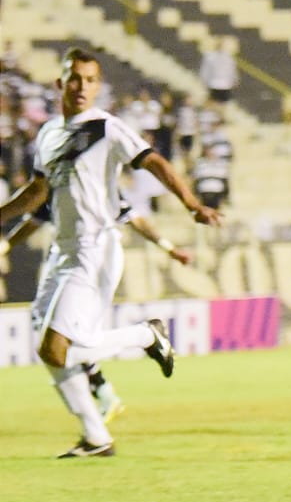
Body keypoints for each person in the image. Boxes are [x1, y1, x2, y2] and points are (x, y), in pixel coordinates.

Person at [0, 47, 221, 457]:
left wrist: (190, 203)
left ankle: (144, 335)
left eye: (89, 80)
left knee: (57, 346)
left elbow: (155, 163)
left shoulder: (106, 128)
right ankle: (97, 436)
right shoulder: (49, 134)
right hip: (63, 251)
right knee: (47, 348)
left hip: (96, 247)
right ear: (60, 84)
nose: (82, 87)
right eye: (74, 79)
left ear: (98, 86)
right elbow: (37, 192)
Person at [3, 195, 195, 423]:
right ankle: (103, 396)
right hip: (63, 257)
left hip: (93, 259)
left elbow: (134, 218)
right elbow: (33, 221)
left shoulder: (96, 183)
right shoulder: (57, 179)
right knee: (45, 324)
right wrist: (3, 247)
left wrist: (168, 247)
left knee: (64, 345)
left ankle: (143, 338)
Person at [199, 36, 238, 107]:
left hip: (225, 84)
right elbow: (205, 70)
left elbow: (232, 70)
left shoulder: (228, 57)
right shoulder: (210, 57)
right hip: (214, 83)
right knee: (214, 103)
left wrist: (234, 80)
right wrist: (204, 81)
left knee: (223, 104)